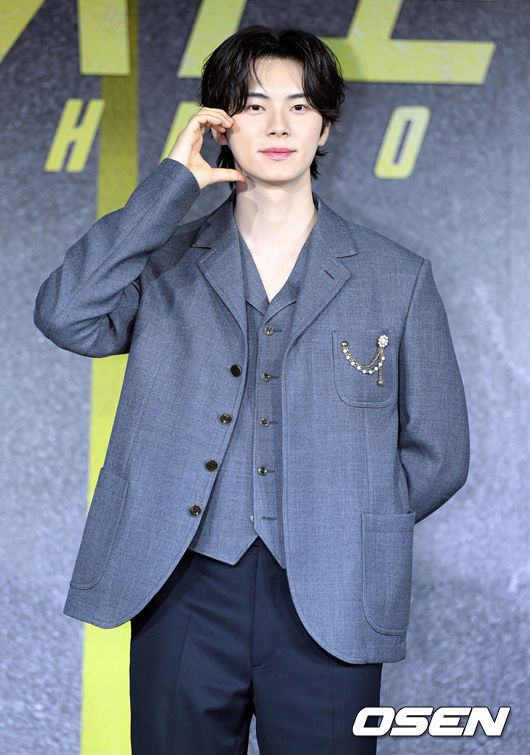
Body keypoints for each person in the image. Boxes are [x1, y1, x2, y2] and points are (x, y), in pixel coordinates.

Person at [33, 25, 470, 755]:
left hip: (332, 594)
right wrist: (169, 188)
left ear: (325, 127)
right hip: (181, 586)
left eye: (299, 107)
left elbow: (440, 450)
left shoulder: (397, 277)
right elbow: (65, 314)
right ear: (219, 125)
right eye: (253, 105)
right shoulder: (162, 261)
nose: (276, 125)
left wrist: (350, 526)